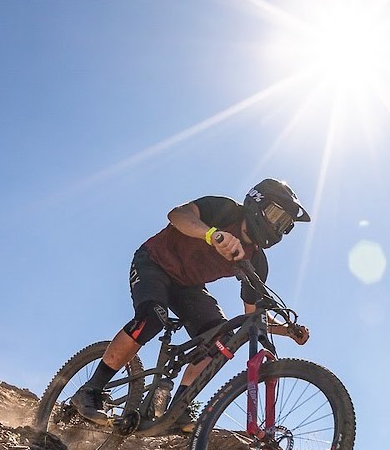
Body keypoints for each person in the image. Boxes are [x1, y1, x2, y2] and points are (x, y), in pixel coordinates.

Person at [70, 178, 312, 428]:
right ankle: (91, 390)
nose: (277, 227)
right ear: (258, 202)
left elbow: (252, 317)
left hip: (188, 287)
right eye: (276, 216)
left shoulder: (257, 263)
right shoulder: (224, 209)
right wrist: (212, 234)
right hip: (154, 263)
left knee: (220, 339)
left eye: (285, 225)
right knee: (151, 317)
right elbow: (177, 215)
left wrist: (287, 331)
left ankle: (177, 412)